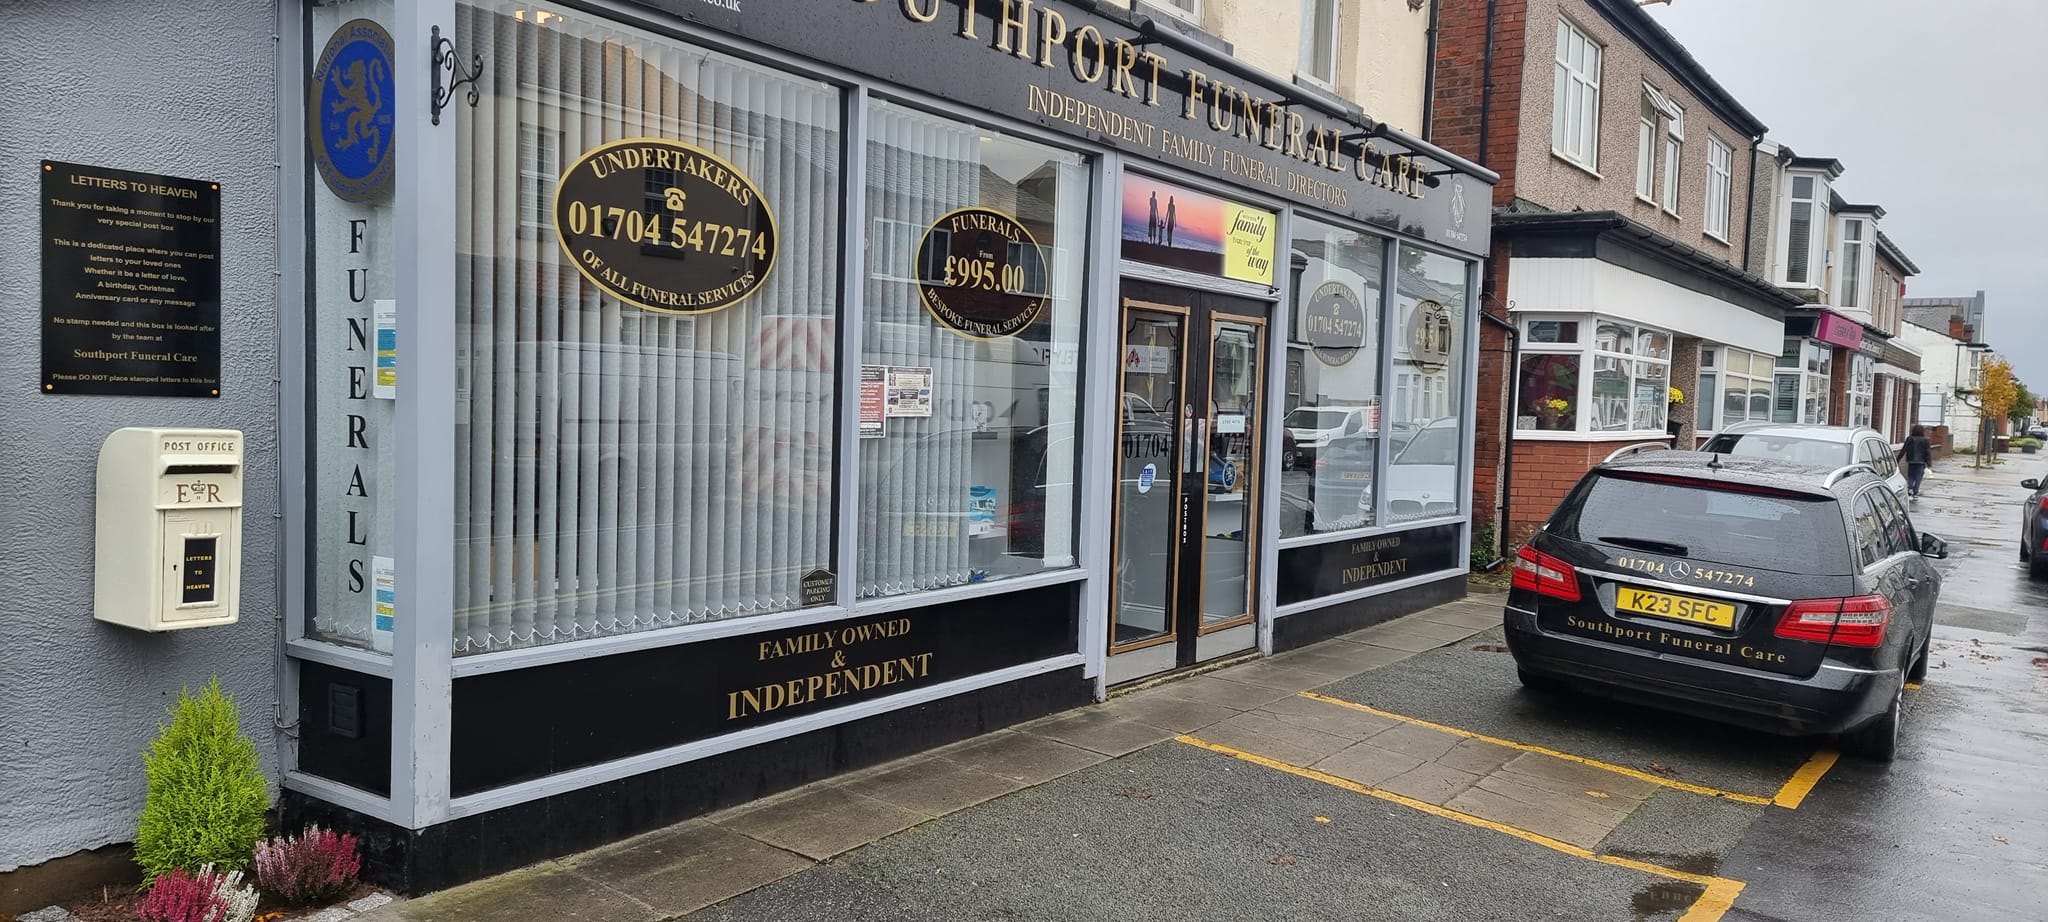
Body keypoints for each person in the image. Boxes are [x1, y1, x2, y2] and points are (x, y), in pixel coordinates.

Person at [1902, 424, 1932, 497]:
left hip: (1911, 460)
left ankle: (1910, 488)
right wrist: (1929, 463)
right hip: (1921, 462)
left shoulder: (1909, 438)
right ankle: (1915, 492)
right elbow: (1928, 452)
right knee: (1918, 477)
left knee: (1911, 475)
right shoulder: (1926, 440)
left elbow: (1904, 449)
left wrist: (1898, 459)